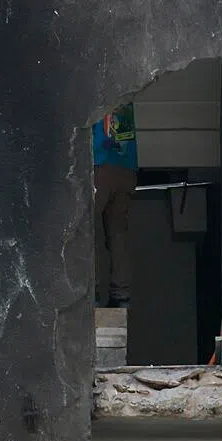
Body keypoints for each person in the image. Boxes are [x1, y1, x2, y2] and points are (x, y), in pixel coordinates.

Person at [93, 102, 138, 308]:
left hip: (98, 165)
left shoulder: (93, 86)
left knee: (86, 233)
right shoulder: (125, 94)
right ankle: (121, 296)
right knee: (118, 233)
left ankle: (89, 293)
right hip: (126, 168)